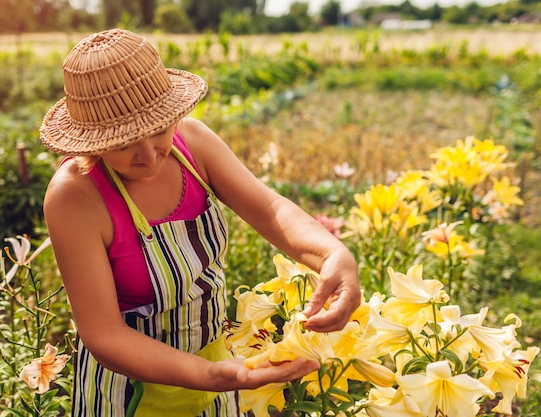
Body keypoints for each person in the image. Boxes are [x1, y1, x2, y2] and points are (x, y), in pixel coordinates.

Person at [40, 28, 360, 417]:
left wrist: (331, 254)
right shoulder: (75, 196)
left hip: (217, 367)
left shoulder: (193, 144)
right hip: (130, 393)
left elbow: (270, 209)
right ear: (90, 140)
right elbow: (104, 334)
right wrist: (211, 375)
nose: (149, 155)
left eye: (159, 129)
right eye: (123, 143)